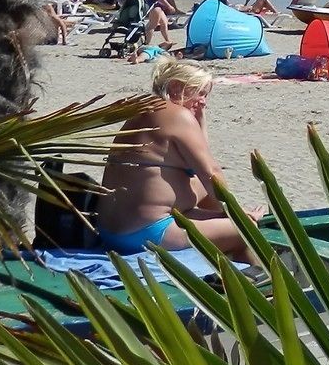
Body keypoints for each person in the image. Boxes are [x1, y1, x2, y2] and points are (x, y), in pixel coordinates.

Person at [95, 56, 255, 262]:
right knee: (246, 231)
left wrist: (200, 117)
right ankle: (252, 282)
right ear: (176, 88)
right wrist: (238, 215)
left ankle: (226, 249)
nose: (204, 101)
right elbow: (211, 173)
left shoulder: (145, 109)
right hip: (146, 233)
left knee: (203, 188)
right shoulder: (177, 115)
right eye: (200, 93)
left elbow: (198, 162)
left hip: (111, 230)